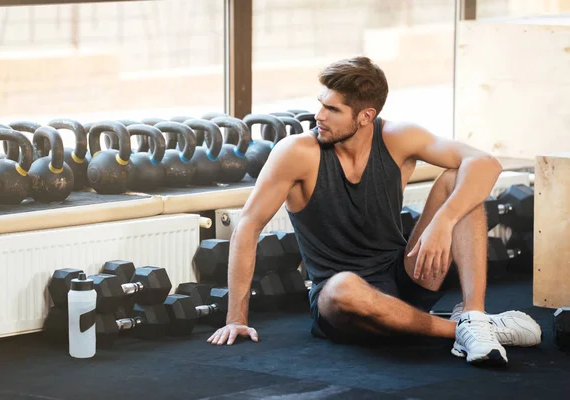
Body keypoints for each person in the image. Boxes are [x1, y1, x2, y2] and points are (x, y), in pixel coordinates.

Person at [207, 56, 542, 366]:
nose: (319, 116)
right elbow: (248, 226)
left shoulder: (398, 137)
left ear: (366, 116)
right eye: (320, 105)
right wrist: (236, 318)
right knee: (343, 287)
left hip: (405, 276)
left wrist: (444, 221)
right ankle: (464, 331)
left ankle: (474, 314)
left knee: (460, 180)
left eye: (333, 110)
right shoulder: (297, 152)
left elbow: (485, 162)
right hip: (343, 303)